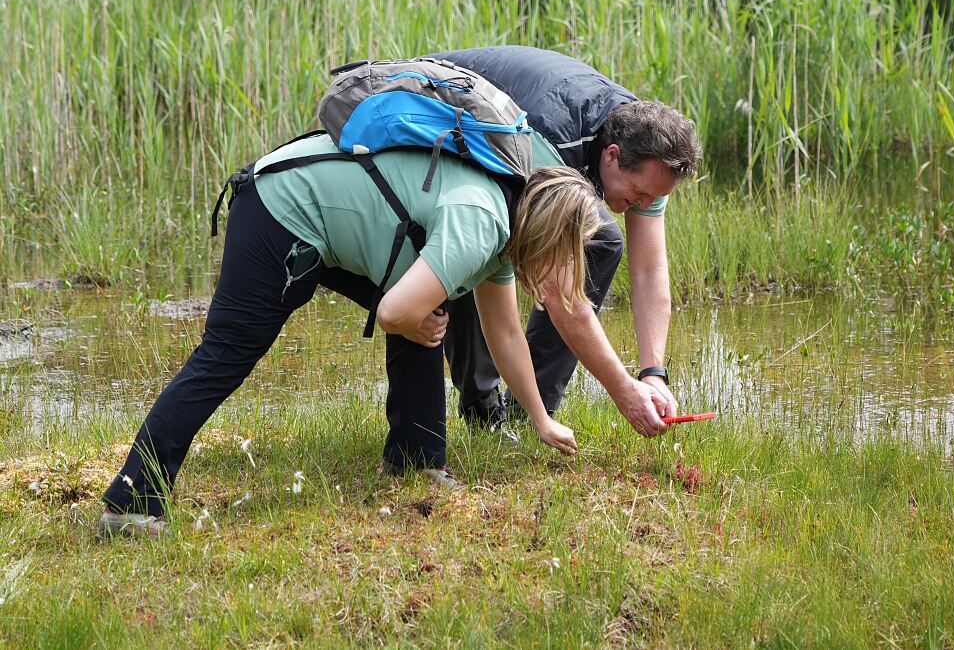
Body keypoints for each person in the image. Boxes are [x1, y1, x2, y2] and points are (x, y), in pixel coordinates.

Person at [98, 132, 597, 537]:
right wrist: (409, 315)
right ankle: (130, 501)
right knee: (225, 356)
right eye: (568, 252)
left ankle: (414, 461)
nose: (566, 268)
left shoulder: (504, 225)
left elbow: (506, 333)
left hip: (319, 207)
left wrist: (540, 420)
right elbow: (394, 311)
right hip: (279, 207)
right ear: (548, 234)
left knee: (428, 304)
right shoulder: (481, 223)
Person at [427, 45, 701, 440]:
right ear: (611, 156)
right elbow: (560, 294)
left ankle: (531, 412)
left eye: (651, 199)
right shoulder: (556, 145)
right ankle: (483, 408)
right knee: (478, 246)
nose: (639, 207)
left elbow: (649, 269)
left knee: (603, 241)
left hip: (525, 116)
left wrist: (653, 373)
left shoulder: (651, 152)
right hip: (445, 107)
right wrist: (624, 391)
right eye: (639, 194)